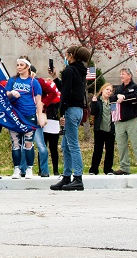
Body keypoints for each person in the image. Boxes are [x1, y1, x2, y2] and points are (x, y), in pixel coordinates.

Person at [51, 45, 89, 191]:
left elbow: (65, 92)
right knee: (66, 145)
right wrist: (55, 78)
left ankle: (77, 178)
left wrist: (61, 111)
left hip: (70, 111)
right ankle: (67, 177)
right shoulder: (81, 71)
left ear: (71, 55)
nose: (65, 56)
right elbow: (70, 89)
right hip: (78, 110)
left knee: (72, 145)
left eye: (67, 54)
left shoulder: (69, 70)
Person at [6, 57, 46, 179]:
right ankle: (17, 169)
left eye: (21, 65)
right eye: (17, 65)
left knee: (28, 143)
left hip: (29, 116)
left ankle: (29, 169)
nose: (18, 67)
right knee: (16, 143)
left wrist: (39, 116)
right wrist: (12, 93)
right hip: (15, 116)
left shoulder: (34, 82)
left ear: (27, 67)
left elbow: (39, 101)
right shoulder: (12, 80)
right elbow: (5, 94)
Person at [112, 68, 137, 175]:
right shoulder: (118, 89)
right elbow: (111, 100)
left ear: (129, 76)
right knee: (121, 145)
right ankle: (124, 167)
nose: (121, 76)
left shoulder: (136, 87)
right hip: (119, 121)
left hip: (132, 120)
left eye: (123, 74)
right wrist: (117, 96)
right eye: (120, 74)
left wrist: (124, 97)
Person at [37, 70, 60, 177]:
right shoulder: (42, 95)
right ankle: (41, 169)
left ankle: (55, 169)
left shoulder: (56, 95)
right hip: (43, 119)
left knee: (53, 147)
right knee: (42, 146)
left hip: (54, 121)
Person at [88, 83, 115, 175]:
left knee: (110, 150)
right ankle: (94, 169)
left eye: (110, 91)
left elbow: (115, 114)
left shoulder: (112, 102)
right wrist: (94, 103)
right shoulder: (98, 101)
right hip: (99, 129)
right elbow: (93, 112)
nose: (109, 92)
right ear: (102, 90)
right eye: (107, 89)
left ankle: (108, 169)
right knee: (98, 150)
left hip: (110, 130)